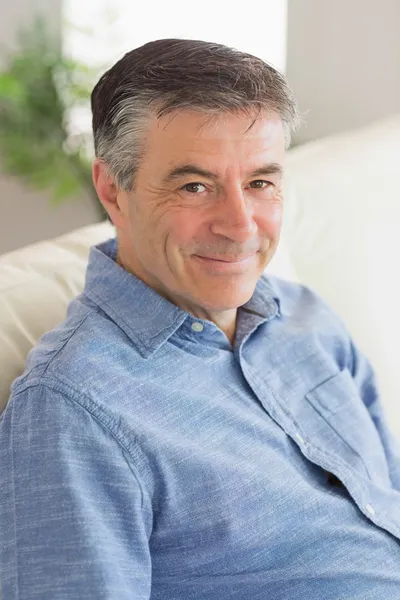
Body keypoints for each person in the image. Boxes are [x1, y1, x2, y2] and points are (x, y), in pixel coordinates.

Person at [1, 38, 400, 600]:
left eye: (260, 182)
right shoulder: (73, 409)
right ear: (114, 189)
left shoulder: (305, 316)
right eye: (195, 186)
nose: (240, 226)